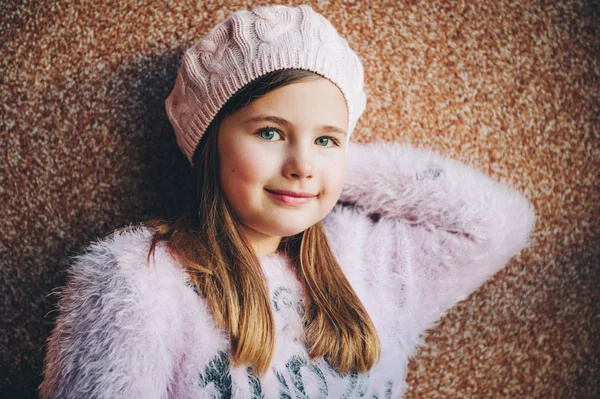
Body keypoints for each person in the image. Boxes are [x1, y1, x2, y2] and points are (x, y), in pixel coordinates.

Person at [38, 4, 536, 398]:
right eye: (270, 131)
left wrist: (332, 169)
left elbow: (499, 223)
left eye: (326, 139)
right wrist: (317, 154)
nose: (301, 163)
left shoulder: (366, 262)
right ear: (209, 142)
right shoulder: (139, 282)